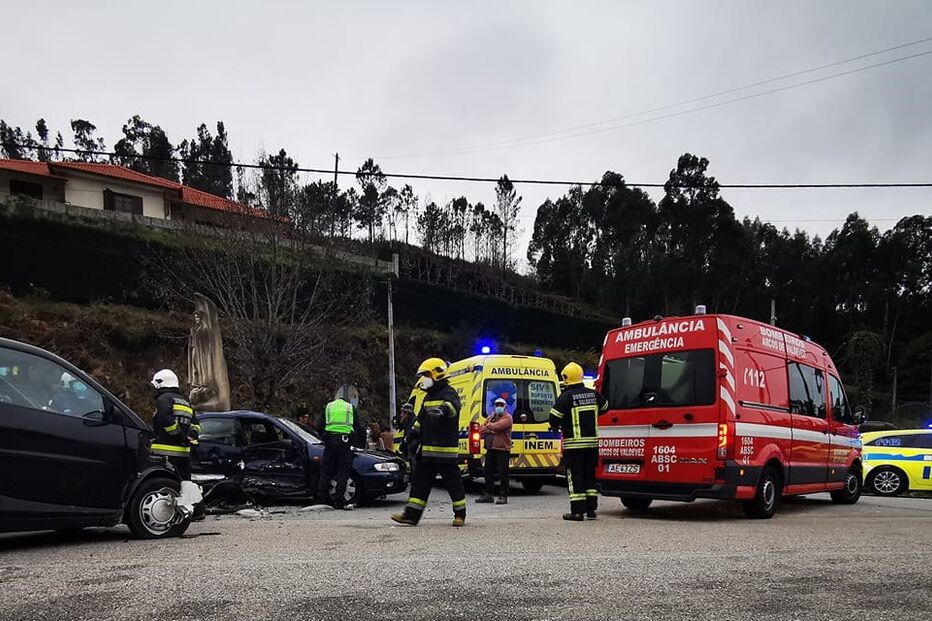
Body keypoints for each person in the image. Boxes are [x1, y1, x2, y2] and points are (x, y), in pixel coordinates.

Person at [391, 358, 467, 527]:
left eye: (426, 374)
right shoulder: (427, 397)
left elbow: (454, 406)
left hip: (445, 451)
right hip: (426, 451)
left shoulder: (449, 393)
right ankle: (411, 516)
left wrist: (443, 410)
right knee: (419, 483)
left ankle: (460, 515)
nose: (424, 379)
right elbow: (419, 422)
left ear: (437, 374)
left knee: (453, 483)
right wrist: (408, 439)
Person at [549, 362, 607, 521]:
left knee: (575, 477)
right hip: (592, 445)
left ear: (566, 378)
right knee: (590, 476)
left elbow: (553, 418)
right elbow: (605, 406)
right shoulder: (594, 394)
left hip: (574, 446)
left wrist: (560, 424)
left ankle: (577, 512)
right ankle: (591, 510)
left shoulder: (566, 397)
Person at [150, 369, 202, 517]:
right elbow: (196, 424)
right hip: (183, 454)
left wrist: (179, 436)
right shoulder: (185, 402)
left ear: (161, 383)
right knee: (185, 483)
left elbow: (166, 420)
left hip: (164, 452)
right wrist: (190, 435)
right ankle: (195, 511)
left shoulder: (164, 399)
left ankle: (166, 513)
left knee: (161, 484)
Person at [315, 391, 365, 510]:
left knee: (326, 471)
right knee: (343, 471)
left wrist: (325, 437)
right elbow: (358, 427)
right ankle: (338, 501)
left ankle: (320, 498)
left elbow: (319, 425)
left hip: (330, 441)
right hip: (345, 441)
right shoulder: (350, 408)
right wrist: (354, 442)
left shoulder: (329, 407)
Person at [476, 397, 513, 504]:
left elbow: (498, 427)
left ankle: (503, 495)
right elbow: (481, 429)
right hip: (491, 448)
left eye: (501, 405)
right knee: (487, 472)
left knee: (503, 473)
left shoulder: (508, 418)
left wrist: (489, 428)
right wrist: (490, 428)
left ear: (505, 407)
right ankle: (488, 494)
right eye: (497, 405)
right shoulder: (491, 417)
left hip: (502, 450)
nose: (499, 407)